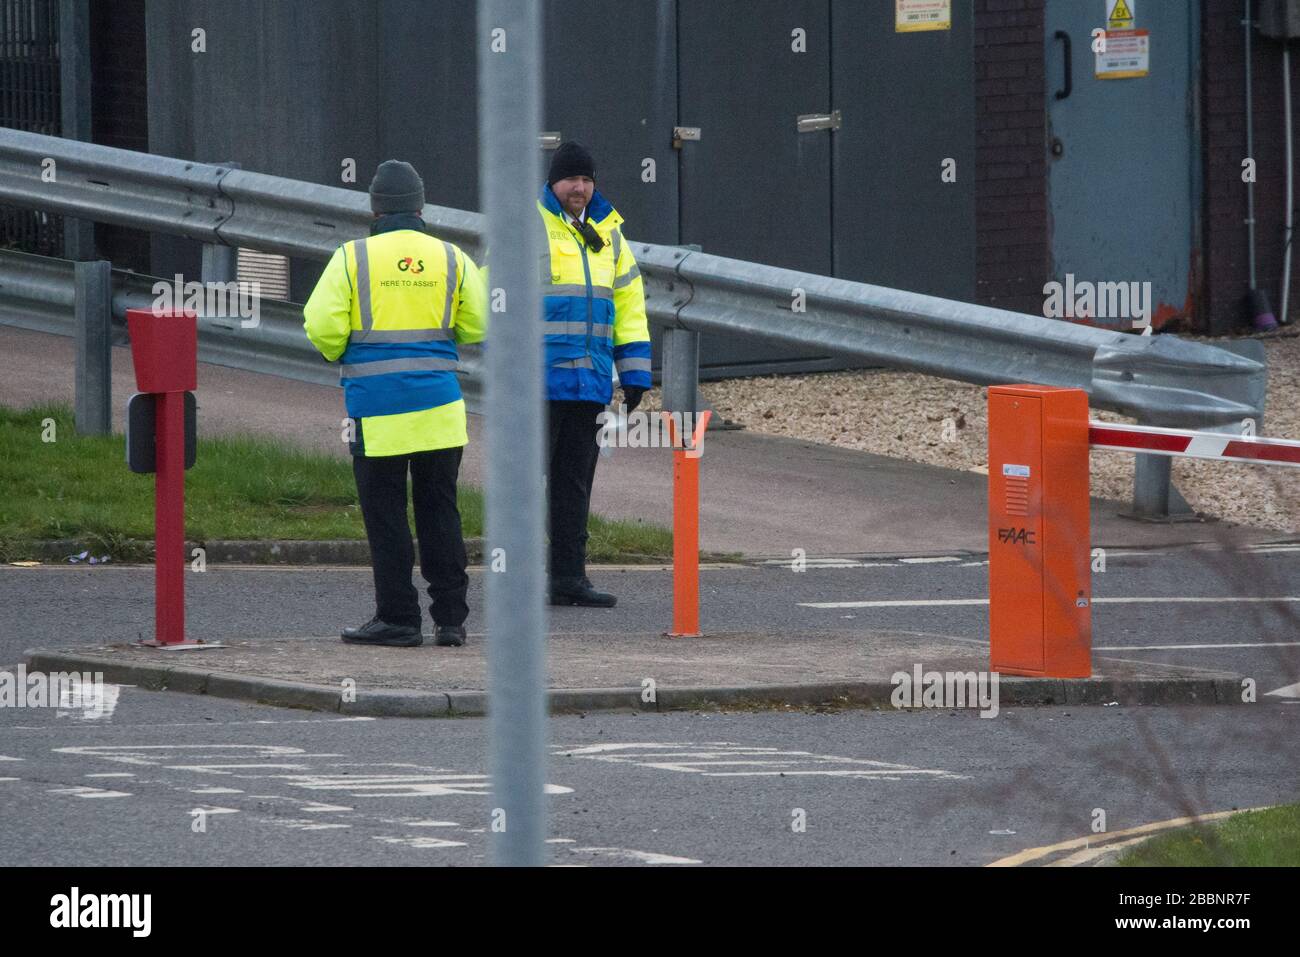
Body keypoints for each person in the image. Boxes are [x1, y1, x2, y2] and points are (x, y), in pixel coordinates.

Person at [303, 160, 487, 647]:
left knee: (386, 516)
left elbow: (320, 324)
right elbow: (480, 324)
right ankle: (451, 620)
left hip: (378, 410)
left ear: (375, 207)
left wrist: (344, 349)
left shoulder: (352, 257)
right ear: (421, 206)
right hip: (441, 411)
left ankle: (399, 619)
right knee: (440, 511)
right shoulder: (452, 256)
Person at [537, 142, 652, 607]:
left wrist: (636, 372)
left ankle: (568, 579)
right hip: (537, 382)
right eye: (571, 180)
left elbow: (628, 304)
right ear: (553, 183)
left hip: (589, 382)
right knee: (527, 487)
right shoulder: (527, 226)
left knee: (574, 485)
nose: (579, 188)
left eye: (586, 180)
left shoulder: (610, 233)